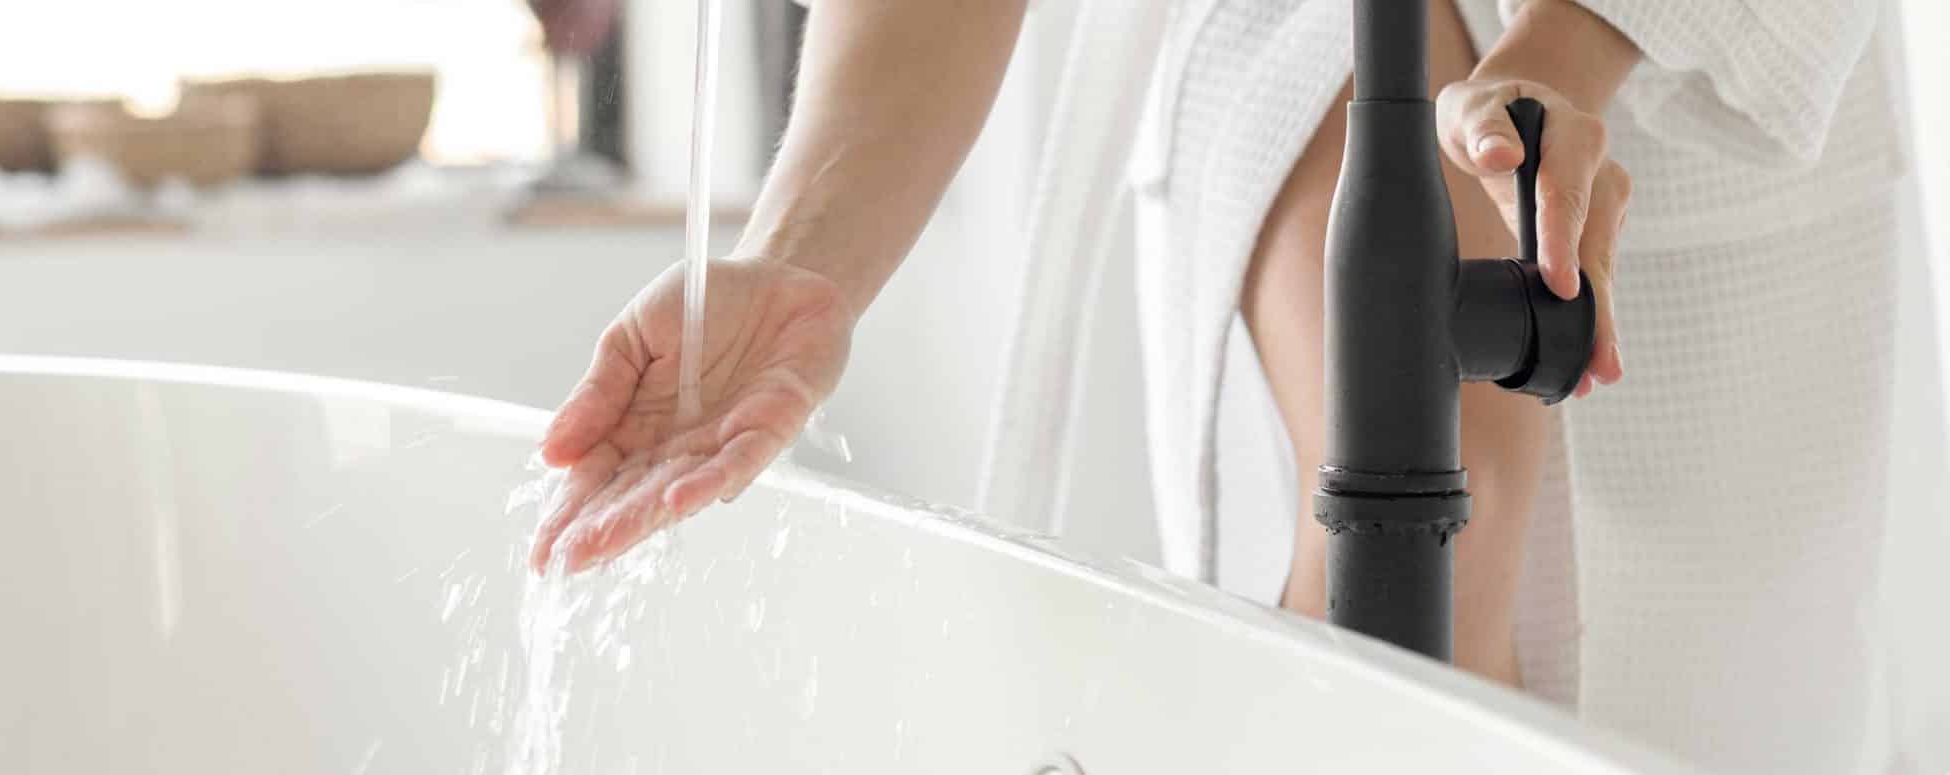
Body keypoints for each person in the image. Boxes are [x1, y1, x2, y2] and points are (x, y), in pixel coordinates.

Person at [527, 0, 1910, 771]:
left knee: (1705, 715)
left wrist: (1566, 43)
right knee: (1413, 552)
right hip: (1318, 42)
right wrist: (796, 260)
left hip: (1696, 73)